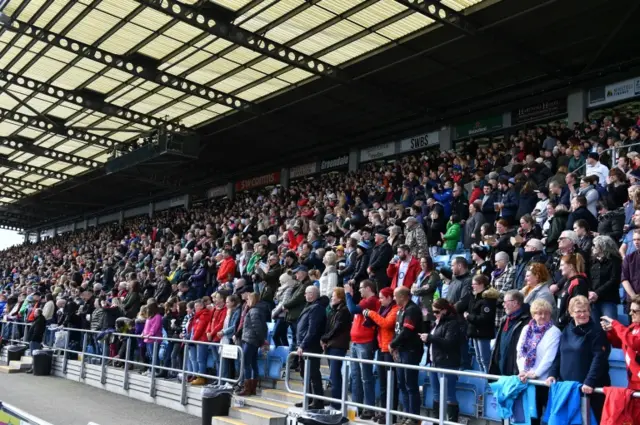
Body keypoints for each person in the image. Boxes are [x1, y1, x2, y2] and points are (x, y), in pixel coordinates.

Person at [546, 296, 610, 421]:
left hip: (589, 390)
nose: (582, 314)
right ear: (571, 313)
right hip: (567, 388)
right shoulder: (566, 329)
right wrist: (552, 374)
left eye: (585, 310)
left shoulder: (597, 331)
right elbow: (559, 354)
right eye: (578, 311)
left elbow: (599, 359)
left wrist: (589, 382)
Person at [515, 299, 561, 425]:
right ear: (533, 315)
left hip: (543, 381)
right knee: (530, 418)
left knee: (546, 417)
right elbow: (519, 351)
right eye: (539, 313)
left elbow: (549, 357)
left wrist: (535, 373)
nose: (542, 316)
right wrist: (522, 371)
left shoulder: (554, 331)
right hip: (526, 379)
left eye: (546, 313)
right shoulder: (526, 329)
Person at [419, 298, 461, 422]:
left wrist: (430, 338)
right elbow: (435, 342)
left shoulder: (453, 323)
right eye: (433, 312)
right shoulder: (437, 322)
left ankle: (452, 422)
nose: (435, 314)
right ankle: (436, 421)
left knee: (449, 395)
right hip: (434, 362)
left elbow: (449, 343)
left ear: (444, 310)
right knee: (436, 394)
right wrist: (427, 340)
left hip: (447, 363)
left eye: (437, 312)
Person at [345, 279, 380, 420]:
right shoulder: (364, 301)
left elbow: (352, 309)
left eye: (361, 288)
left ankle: (368, 408)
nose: (359, 290)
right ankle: (356, 407)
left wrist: (348, 294)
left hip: (365, 343)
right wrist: (351, 296)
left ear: (368, 288)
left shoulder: (371, 300)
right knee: (355, 377)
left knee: (366, 378)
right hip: (355, 342)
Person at [363, 287, 399, 424]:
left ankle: (391, 414)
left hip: (389, 350)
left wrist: (371, 314)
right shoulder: (382, 310)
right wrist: (370, 319)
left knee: (391, 384)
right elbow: (378, 324)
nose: (380, 300)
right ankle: (384, 412)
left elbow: (386, 323)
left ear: (390, 298)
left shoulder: (395, 309)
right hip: (381, 348)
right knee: (383, 384)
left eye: (382, 297)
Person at [389, 287, 424, 425]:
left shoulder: (412, 310)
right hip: (401, 351)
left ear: (403, 296)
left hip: (410, 352)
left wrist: (392, 344)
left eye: (395, 296)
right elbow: (397, 331)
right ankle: (405, 414)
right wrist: (395, 346)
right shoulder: (400, 310)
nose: (393, 298)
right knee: (401, 385)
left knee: (410, 385)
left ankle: (413, 418)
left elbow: (407, 331)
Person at [295, 285, 327, 409]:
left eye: (306, 293)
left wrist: (303, 344)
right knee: (304, 374)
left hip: (310, 346)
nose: (304, 295)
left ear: (312, 294)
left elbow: (312, 329)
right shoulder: (310, 306)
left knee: (313, 374)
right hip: (304, 345)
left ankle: (317, 401)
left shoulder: (317, 308)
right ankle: (307, 399)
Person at [320, 288, 351, 409]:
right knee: (334, 375)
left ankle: (337, 404)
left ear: (340, 297)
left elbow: (336, 329)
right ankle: (337, 402)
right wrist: (324, 339)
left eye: (333, 296)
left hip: (338, 346)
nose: (331, 298)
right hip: (331, 345)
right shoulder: (333, 310)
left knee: (334, 375)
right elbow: (329, 327)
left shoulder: (343, 311)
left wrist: (324, 339)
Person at [601, 294, 640, 390]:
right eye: (630, 310)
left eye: (634, 311)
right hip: (633, 382)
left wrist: (615, 324)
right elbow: (619, 343)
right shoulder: (632, 327)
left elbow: (634, 343)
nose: (630, 313)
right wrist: (611, 331)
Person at [489, 290, 531, 376]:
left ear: (515, 303)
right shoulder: (505, 319)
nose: (503, 305)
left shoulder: (527, 321)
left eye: (505, 302)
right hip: (500, 368)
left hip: (514, 372)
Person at [464, 275, 497, 373]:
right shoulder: (475, 297)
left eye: (475, 284)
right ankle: (483, 379)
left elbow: (485, 318)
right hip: (475, 332)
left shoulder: (487, 300)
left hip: (483, 333)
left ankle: (487, 380)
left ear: (482, 285)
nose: (472, 286)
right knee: (478, 359)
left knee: (485, 359)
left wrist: (469, 317)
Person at [589, 235, 622, 322]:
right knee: (594, 328)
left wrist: (597, 293)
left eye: (594, 245)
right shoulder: (593, 261)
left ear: (603, 246)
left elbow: (614, 280)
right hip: (593, 301)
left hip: (608, 299)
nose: (592, 247)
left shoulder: (615, 260)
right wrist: (590, 292)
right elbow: (589, 279)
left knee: (610, 327)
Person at [555, 253, 590, 329]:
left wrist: (562, 319)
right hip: (562, 325)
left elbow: (579, 307)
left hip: (571, 327)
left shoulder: (578, 283)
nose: (560, 268)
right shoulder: (568, 281)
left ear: (570, 266)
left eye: (562, 265)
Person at [188, 299, 213, 386]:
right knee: (198, 359)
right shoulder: (198, 315)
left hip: (202, 340)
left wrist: (193, 339)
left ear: (201, 306)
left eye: (196, 306)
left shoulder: (204, 314)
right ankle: (198, 376)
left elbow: (200, 328)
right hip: (199, 340)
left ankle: (201, 378)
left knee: (201, 359)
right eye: (194, 307)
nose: (195, 308)